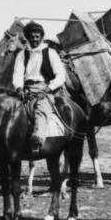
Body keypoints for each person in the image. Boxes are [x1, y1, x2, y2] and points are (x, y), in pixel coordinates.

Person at [11, 21, 68, 153]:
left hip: (45, 89)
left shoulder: (50, 53)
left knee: (41, 109)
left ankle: (37, 139)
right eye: (32, 37)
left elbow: (60, 76)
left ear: (42, 37)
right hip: (26, 89)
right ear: (27, 37)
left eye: (37, 36)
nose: (34, 39)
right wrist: (19, 89)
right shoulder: (22, 54)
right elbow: (18, 74)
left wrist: (47, 89)